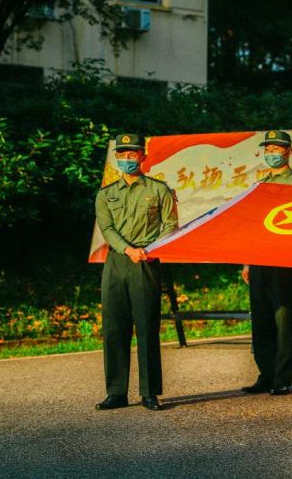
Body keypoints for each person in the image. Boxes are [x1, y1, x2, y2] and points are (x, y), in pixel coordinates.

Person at [94, 134, 179, 411]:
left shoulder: (159, 190)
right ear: (116, 158)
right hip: (117, 263)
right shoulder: (106, 194)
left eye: (132, 154)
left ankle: (149, 392)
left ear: (143, 156)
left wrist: (150, 248)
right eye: (122, 155)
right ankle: (116, 392)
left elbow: (170, 224)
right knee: (114, 328)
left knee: (146, 327)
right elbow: (107, 229)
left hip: (146, 262)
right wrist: (127, 249)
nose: (127, 159)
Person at [241, 130, 292, 396]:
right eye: (268, 149)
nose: (272, 154)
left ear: (289, 152)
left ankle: (282, 378)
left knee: (284, 320)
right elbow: (253, 225)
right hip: (259, 259)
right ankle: (265, 375)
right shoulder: (260, 184)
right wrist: (247, 262)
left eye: (277, 149)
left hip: (284, 260)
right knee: (261, 319)